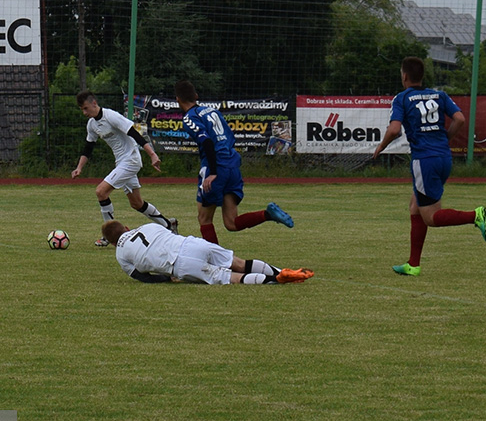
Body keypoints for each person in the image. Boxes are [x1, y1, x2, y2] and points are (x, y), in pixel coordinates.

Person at [372, 57, 486, 276]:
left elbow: (393, 130)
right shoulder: (440, 95)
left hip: (424, 161)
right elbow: (460, 119)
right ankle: (413, 265)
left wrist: (381, 147)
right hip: (443, 157)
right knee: (414, 206)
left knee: (431, 217)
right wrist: (444, 139)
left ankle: (475, 215)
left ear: (405, 76)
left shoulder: (402, 98)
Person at [174, 79, 293, 244]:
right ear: (196, 95)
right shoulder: (213, 111)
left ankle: (217, 263)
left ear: (178, 99)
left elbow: (207, 142)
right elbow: (229, 136)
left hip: (217, 167)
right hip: (232, 163)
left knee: (204, 218)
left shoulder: (190, 117)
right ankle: (267, 214)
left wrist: (213, 173)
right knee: (231, 223)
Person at [72, 90, 177, 247]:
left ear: (94, 103)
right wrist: (79, 167)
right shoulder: (92, 125)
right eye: (82, 109)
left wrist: (152, 155)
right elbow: (88, 148)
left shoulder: (111, 116)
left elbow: (135, 134)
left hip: (131, 160)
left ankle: (109, 236)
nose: (84, 112)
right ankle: (168, 225)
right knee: (137, 203)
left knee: (101, 192)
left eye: (86, 108)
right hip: (121, 162)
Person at [102, 220, 314, 285]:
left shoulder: (120, 255)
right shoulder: (148, 226)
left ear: (112, 243)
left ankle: (277, 280)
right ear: (127, 228)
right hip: (192, 243)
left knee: (233, 278)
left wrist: (167, 279)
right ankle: (283, 271)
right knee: (238, 262)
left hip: (180, 264)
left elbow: (141, 277)